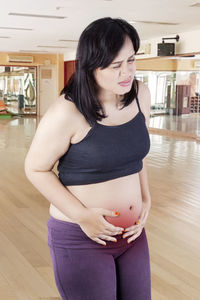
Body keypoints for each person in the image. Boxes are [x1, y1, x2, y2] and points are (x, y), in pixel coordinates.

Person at [24, 17, 151, 300]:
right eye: (115, 65)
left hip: (132, 235)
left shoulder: (141, 94)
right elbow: (35, 169)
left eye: (131, 60)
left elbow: (136, 156)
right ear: (91, 65)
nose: (127, 72)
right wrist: (82, 216)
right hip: (82, 237)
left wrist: (145, 197)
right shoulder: (67, 112)